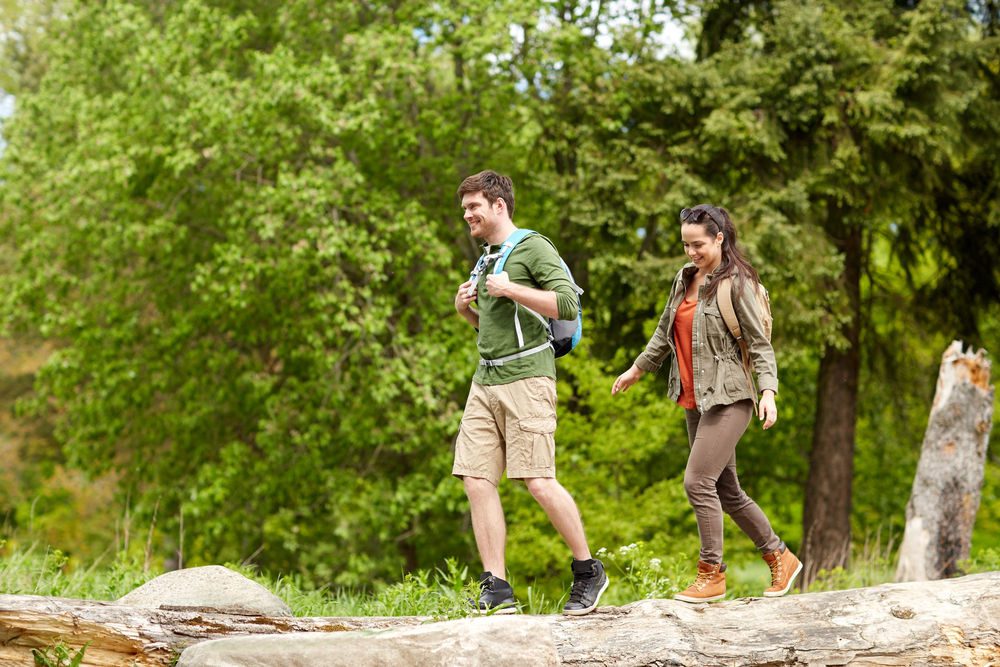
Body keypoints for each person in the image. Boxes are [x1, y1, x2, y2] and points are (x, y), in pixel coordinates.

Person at [611, 204, 802, 603]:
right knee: (727, 491)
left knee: (697, 482)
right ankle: (780, 557)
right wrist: (637, 369)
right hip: (694, 400)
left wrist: (769, 392)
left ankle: (711, 572)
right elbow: (665, 332)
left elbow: (760, 345)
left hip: (732, 397)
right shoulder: (684, 279)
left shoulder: (737, 284)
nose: (691, 252)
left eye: (698, 244)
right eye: (685, 245)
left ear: (719, 237)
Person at [452, 169, 608, 615]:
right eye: (465, 208)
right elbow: (493, 328)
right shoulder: (486, 258)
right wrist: (465, 310)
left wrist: (511, 289)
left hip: (528, 379)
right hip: (486, 379)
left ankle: (587, 570)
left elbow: (569, 304)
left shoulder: (533, 247)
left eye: (473, 207)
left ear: (498, 205)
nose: (467, 215)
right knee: (476, 478)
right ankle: (497, 587)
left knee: (536, 479)